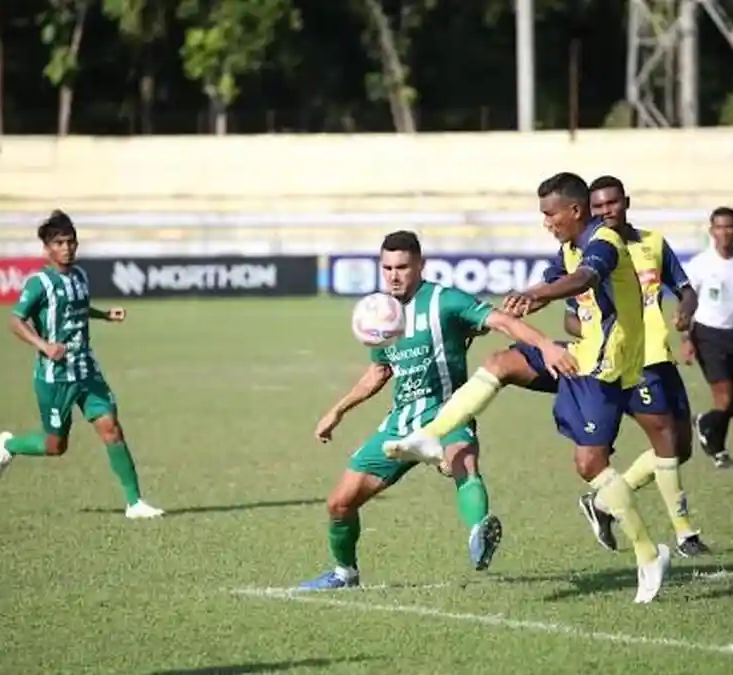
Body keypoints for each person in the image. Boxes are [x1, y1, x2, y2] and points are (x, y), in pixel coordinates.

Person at [385, 173, 673, 604]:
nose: (546, 222)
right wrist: (526, 300)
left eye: (549, 214)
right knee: (500, 363)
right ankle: (429, 436)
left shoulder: (605, 240)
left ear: (575, 211)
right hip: (579, 351)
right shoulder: (569, 247)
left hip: (603, 366)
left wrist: (540, 293)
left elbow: (584, 280)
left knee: (590, 465)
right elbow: (559, 278)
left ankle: (650, 555)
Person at [296, 230, 576, 590]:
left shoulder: (445, 301)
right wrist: (338, 411)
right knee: (339, 504)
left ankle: (479, 531)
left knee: (464, 465)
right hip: (400, 423)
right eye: (387, 268)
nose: (394, 275)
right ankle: (344, 573)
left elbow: (503, 322)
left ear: (420, 265)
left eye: (402, 267)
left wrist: (546, 347)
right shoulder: (384, 312)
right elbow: (380, 371)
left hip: (449, 411)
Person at [0, 210, 164, 520]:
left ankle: (135, 502)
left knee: (111, 428)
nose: (66, 247)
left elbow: (77, 309)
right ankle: (11, 445)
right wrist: (44, 346)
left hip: (87, 370)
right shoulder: (39, 283)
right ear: (47, 249)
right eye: (59, 242)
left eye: (70, 241)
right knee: (56, 446)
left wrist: (105, 315)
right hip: (55, 377)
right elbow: (15, 321)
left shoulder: (81, 276)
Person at [574, 176, 710, 557]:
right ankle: (686, 535)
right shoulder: (590, 253)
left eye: (611, 204)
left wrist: (684, 312)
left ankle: (601, 503)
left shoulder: (652, 243)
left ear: (625, 202)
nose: (605, 212)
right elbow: (574, 315)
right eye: (597, 207)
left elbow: (685, 289)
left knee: (681, 447)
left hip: (661, 354)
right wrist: (593, 325)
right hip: (632, 360)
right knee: (665, 442)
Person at [683, 207, 733, 469]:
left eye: (730, 227)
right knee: (725, 398)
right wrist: (686, 338)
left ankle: (705, 421)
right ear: (711, 230)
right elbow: (687, 302)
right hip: (707, 334)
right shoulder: (699, 265)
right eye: (719, 227)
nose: (724, 232)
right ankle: (719, 452)